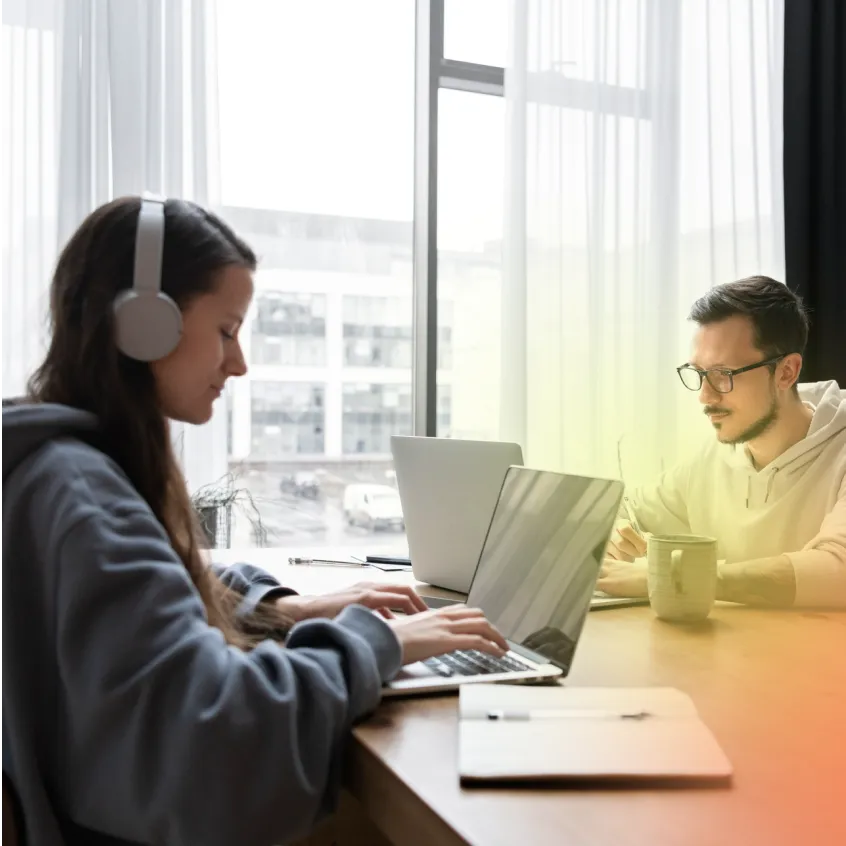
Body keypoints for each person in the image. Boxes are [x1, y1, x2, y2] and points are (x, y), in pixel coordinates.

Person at [0, 196, 508, 846]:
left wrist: (287, 609)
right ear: (145, 324)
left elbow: (152, 595)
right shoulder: (83, 495)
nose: (237, 363)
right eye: (226, 330)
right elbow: (215, 746)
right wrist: (380, 643)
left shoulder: (47, 466)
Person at [598, 276, 846, 608]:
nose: (704, 395)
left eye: (723, 374)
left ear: (787, 372)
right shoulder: (713, 457)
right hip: (729, 654)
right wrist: (616, 533)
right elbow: (628, 510)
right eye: (698, 373)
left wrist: (669, 578)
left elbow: (837, 569)